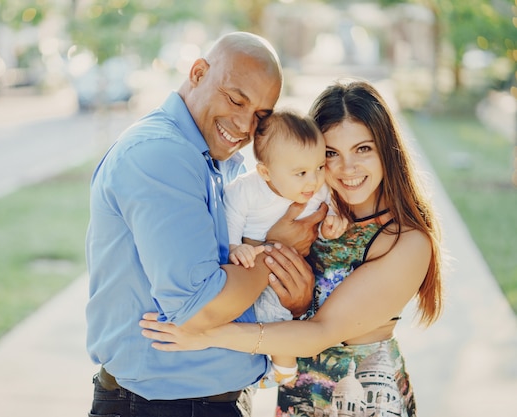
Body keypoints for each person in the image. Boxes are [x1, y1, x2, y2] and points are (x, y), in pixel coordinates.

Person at [140, 79, 444, 417]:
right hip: (300, 397)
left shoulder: (405, 241)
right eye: (330, 153)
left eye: (363, 149)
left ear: (386, 150)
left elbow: (321, 332)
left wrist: (208, 333)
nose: (347, 168)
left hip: (364, 404)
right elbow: (264, 267)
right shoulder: (315, 213)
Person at [85, 31, 328, 417]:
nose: (245, 126)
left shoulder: (216, 160)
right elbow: (199, 309)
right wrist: (276, 250)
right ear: (198, 73)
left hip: (208, 400)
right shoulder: (162, 155)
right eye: (236, 99)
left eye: (261, 116)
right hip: (162, 407)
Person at [224, 109, 348, 389]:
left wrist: (332, 222)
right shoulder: (246, 191)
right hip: (254, 270)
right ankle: (266, 373)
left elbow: (331, 205)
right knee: (254, 318)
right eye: (301, 173)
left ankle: (283, 372)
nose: (313, 181)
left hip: (290, 271)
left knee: (279, 318)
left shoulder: (317, 188)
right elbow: (231, 215)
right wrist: (236, 246)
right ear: (266, 172)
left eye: (318, 167)